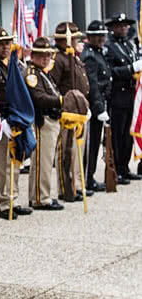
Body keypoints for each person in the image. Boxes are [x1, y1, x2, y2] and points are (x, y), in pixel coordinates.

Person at [0, 27, 32, 219]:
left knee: (15, 162)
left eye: (7, 43)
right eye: (0, 44)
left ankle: (14, 198)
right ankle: (3, 203)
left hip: (15, 120)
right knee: (1, 164)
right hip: (0, 121)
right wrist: (1, 122)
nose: (5, 47)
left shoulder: (12, 65)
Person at [51, 22, 91, 200]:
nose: (76, 41)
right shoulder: (58, 59)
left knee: (77, 151)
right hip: (67, 113)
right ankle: (66, 189)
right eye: (73, 38)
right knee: (66, 152)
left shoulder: (73, 56)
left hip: (79, 112)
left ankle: (77, 185)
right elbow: (54, 85)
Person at [25, 37, 64, 211]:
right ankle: (42, 198)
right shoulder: (32, 73)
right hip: (43, 121)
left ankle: (39, 196)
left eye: (48, 55)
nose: (45, 58)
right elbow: (39, 98)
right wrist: (61, 100)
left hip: (51, 120)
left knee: (45, 162)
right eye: (41, 55)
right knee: (43, 162)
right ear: (32, 55)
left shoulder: (42, 72)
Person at [104, 13, 142, 185]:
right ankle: (117, 169)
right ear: (112, 27)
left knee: (128, 134)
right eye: (120, 26)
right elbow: (110, 71)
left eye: (126, 25)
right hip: (118, 95)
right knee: (117, 134)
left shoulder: (129, 45)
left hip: (131, 95)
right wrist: (130, 68)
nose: (123, 28)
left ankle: (125, 168)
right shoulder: (109, 47)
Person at [80, 21, 112, 192]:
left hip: (101, 102)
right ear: (89, 37)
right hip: (93, 107)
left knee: (94, 145)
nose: (101, 39)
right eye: (97, 36)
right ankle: (87, 178)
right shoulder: (90, 56)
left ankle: (90, 177)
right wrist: (99, 108)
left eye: (103, 35)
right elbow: (92, 85)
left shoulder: (98, 53)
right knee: (90, 146)